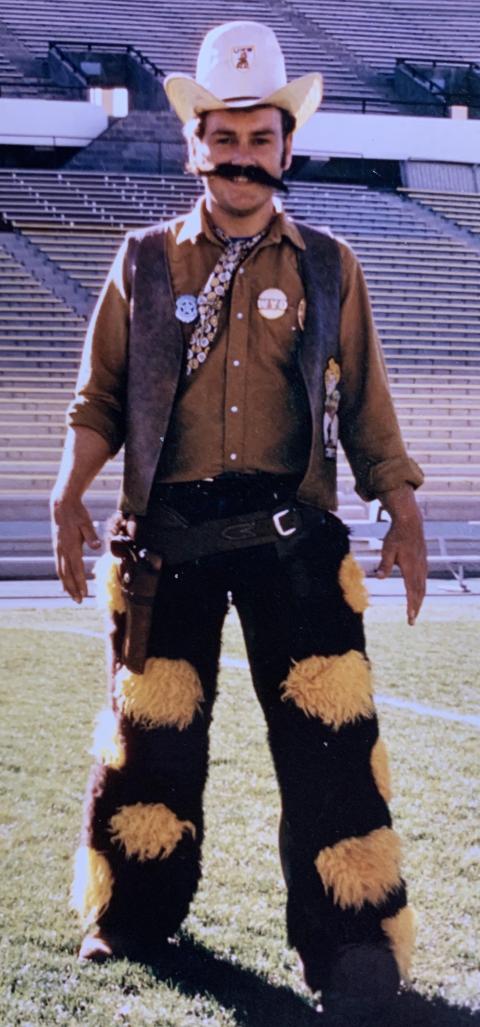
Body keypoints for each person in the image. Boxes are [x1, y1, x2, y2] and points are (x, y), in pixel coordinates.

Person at [51, 20, 427, 1021]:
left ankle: (354, 947)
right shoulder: (140, 266)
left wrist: (402, 507)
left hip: (293, 543)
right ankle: (128, 918)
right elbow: (96, 402)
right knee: (149, 743)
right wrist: (66, 493)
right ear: (195, 144)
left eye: (262, 140)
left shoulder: (331, 266)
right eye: (226, 138)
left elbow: (371, 412)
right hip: (167, 543)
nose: (244, 158)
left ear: (285, 147)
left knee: (333, 746)